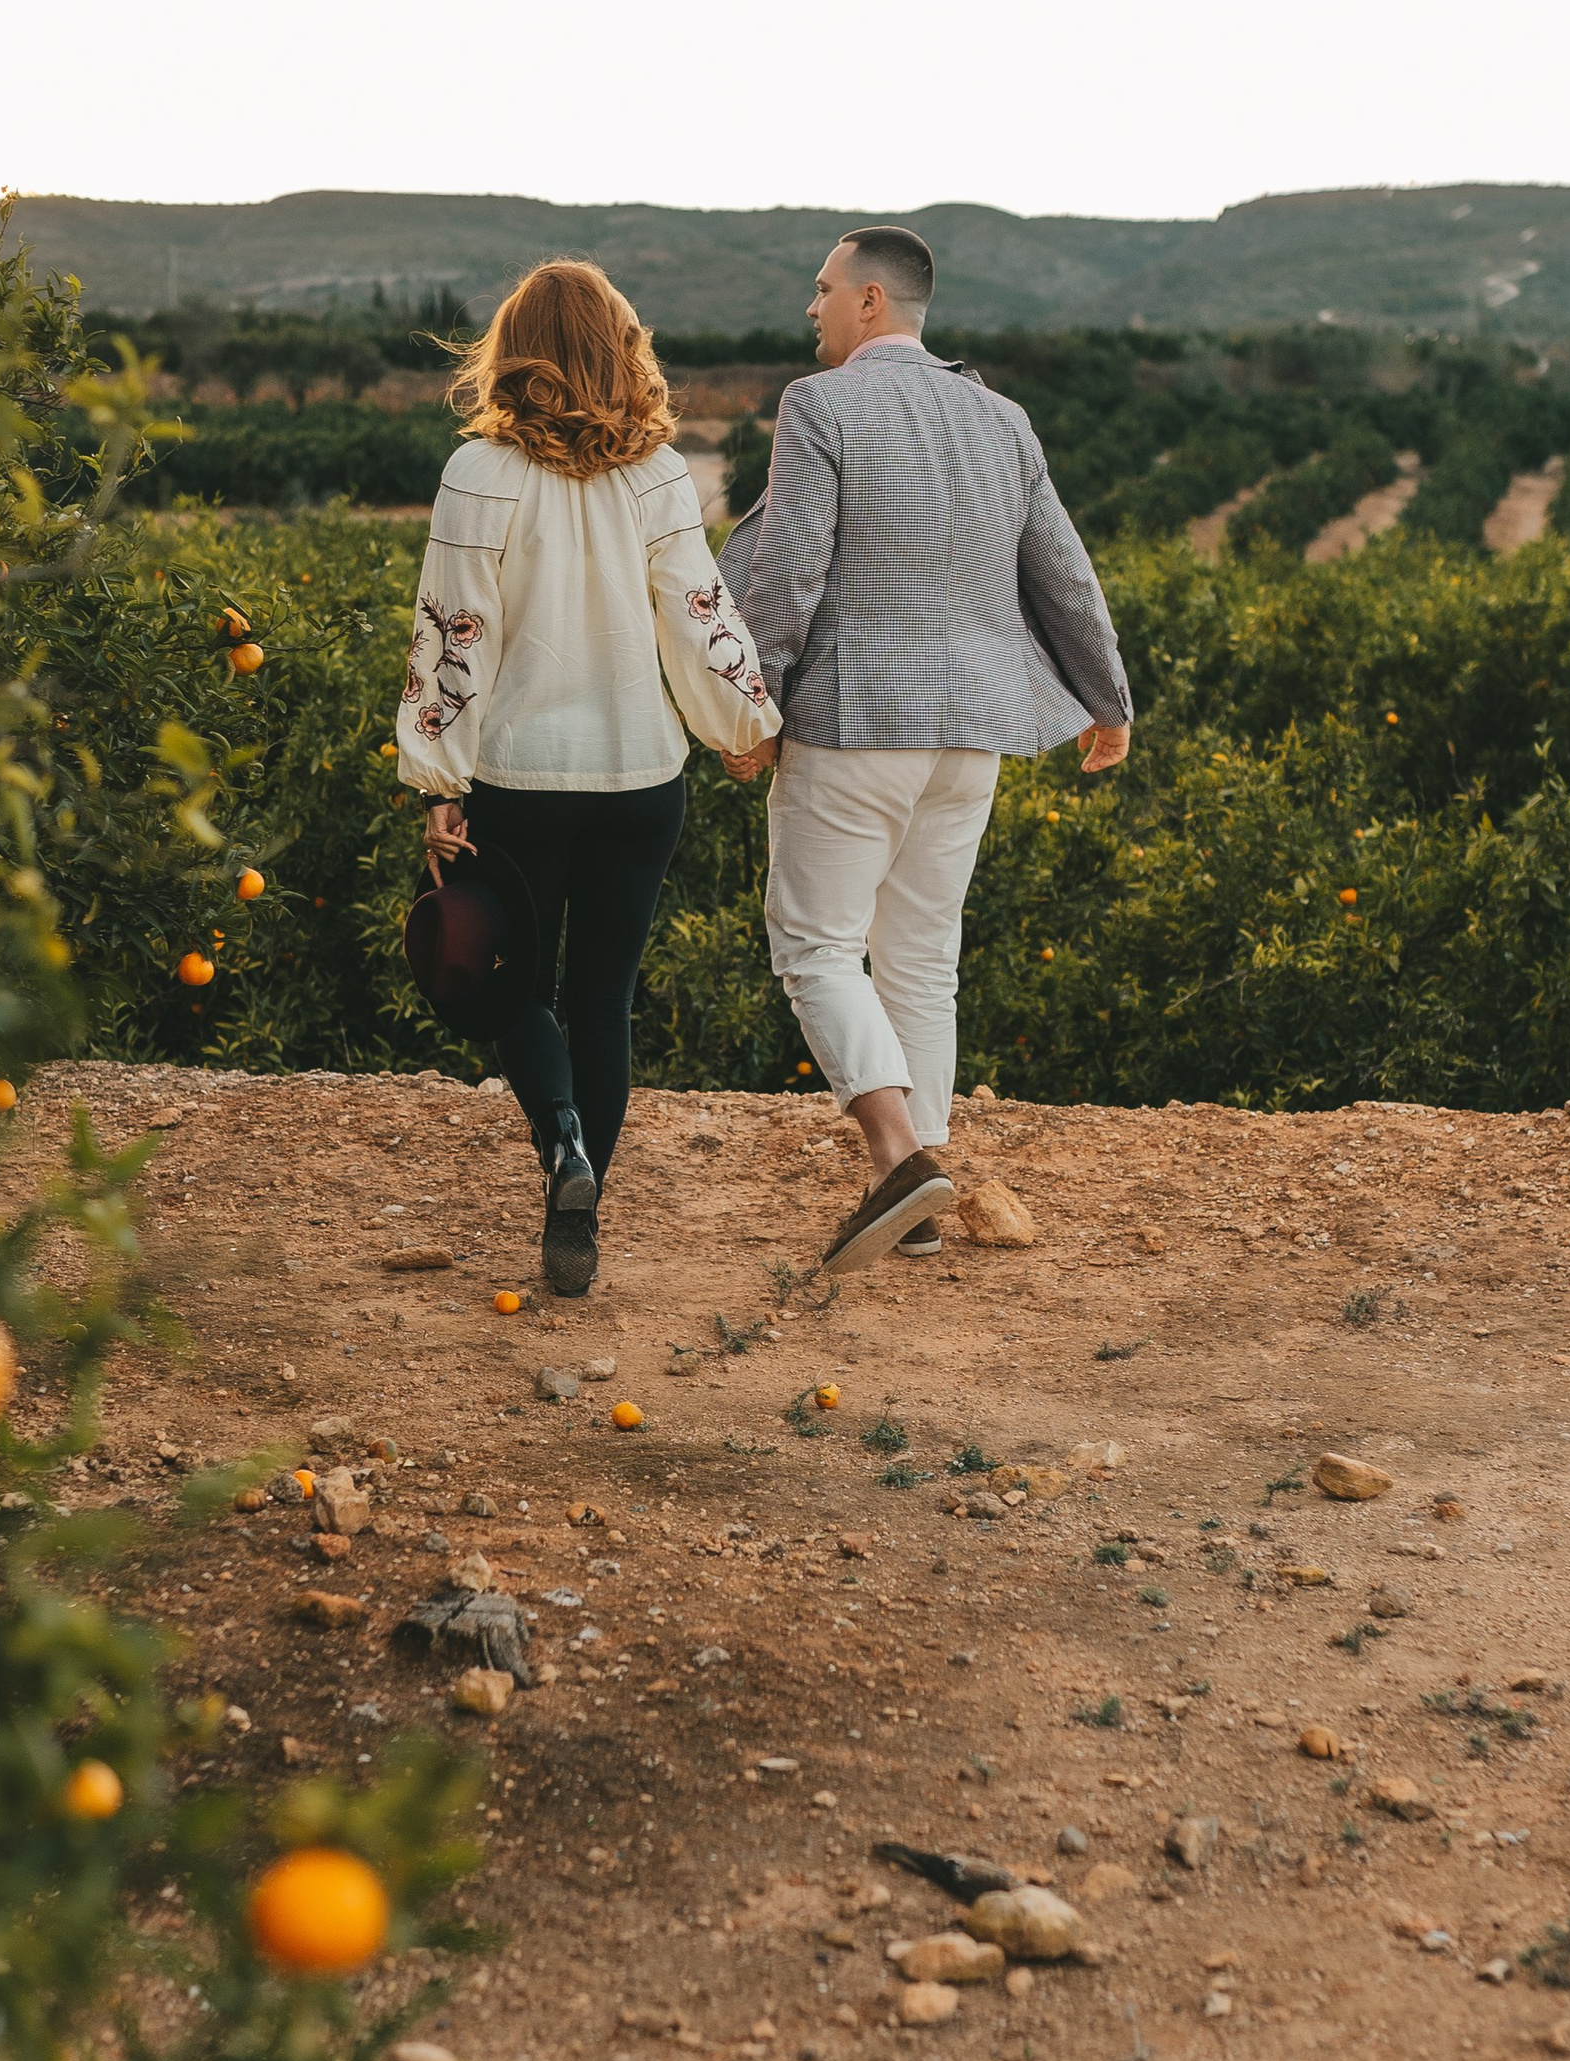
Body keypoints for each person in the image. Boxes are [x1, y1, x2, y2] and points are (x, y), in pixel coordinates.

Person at [717, 226, 1132, 1272]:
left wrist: (749, 707)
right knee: (921, 954)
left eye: (820, 289)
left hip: (859, 723)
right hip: (974, 734)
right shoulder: (1003, 418)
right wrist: (1107, 699)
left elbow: (789, 572)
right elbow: (1065, 574)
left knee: (814, 943)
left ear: (867, 301)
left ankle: (898, 1154)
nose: (809, 308)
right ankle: (921, 1179)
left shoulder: (822, 405)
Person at [396, 258, 781, 1294]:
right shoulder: (654, 473)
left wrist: (439, 778)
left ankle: (560, 1140)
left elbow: (451, 639)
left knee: (509, 988)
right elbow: (698, 611)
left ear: (511, 350)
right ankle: (582, 1206)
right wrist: (741, 722)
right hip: (639, 778)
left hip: (516, 778)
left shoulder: (476, 473)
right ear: (620, 346)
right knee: (601, 995)